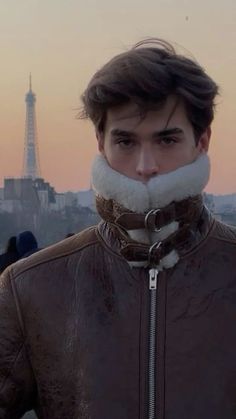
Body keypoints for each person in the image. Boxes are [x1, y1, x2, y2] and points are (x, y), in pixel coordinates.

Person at [0, 38, 236, 419]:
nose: (146, 166)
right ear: (101, 144)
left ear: (202, 142)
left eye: (166, 140)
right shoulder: (28, 288)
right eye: (125, 141)